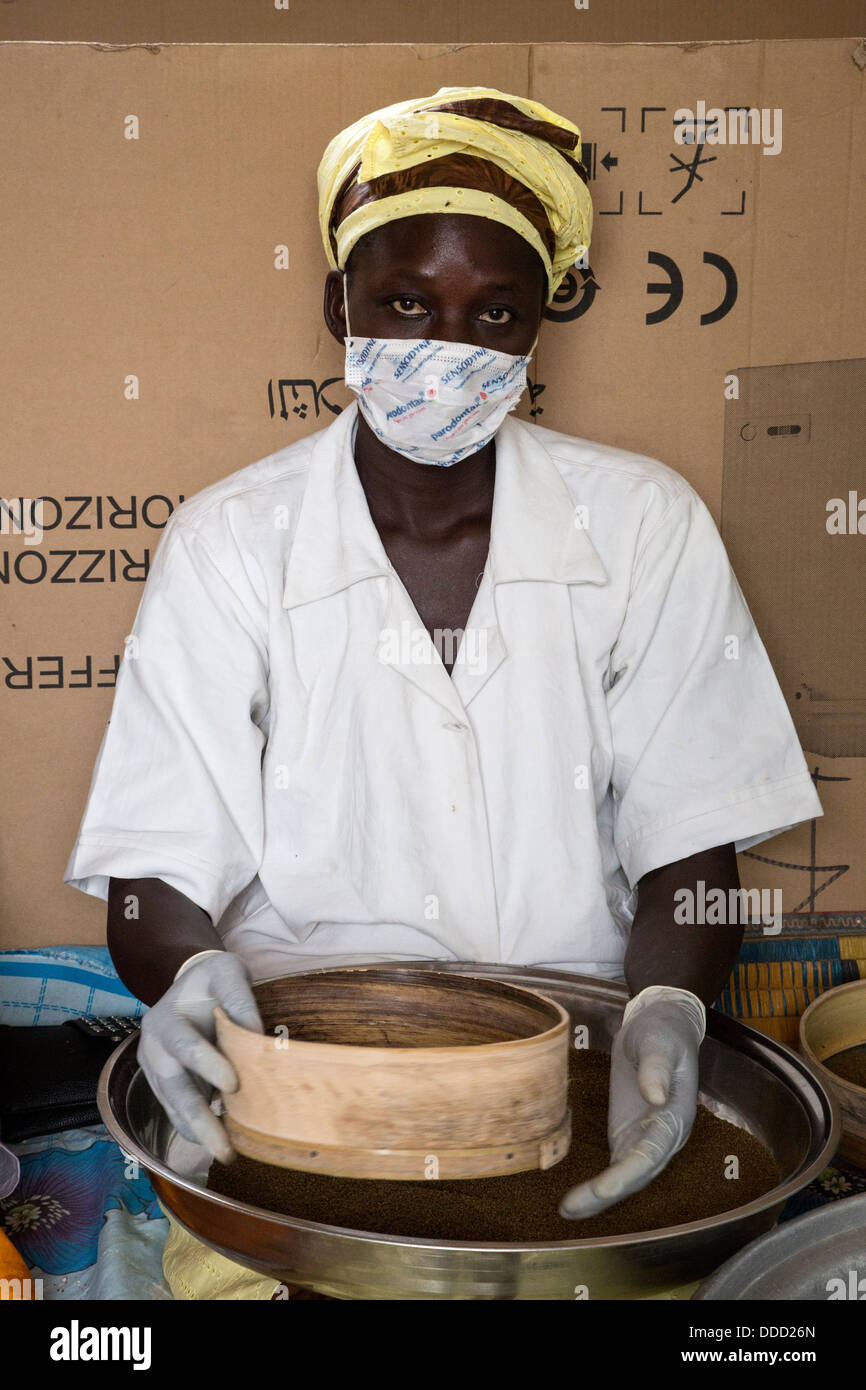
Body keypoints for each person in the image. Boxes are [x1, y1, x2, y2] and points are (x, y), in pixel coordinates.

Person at [65, 86, 822, 1296]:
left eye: (494, 315)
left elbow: (691, 839)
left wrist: (667, 1007)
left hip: (574, 1074)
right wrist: (188, 978)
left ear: (539, 332)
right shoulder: (230, 541)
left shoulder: (641, 523)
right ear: (338, 305)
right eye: (406, 302)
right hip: (301, 1073)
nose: (444, 349)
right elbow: (158, 871)